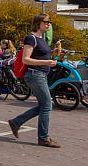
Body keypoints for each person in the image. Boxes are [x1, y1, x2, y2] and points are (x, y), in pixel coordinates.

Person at [8, 14, 62, 148]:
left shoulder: (41, 39)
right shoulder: (30, 38)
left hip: (41, 74)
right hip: (34, 74)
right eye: (46, 22)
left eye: (49, 22)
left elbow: (41, 54)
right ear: (39, 23)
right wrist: (46, 62)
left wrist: (53, 52)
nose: (48, 24)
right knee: (47, 105)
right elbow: (26, 59)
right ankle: (43, 138)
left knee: (44, 105)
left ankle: (16, 122)